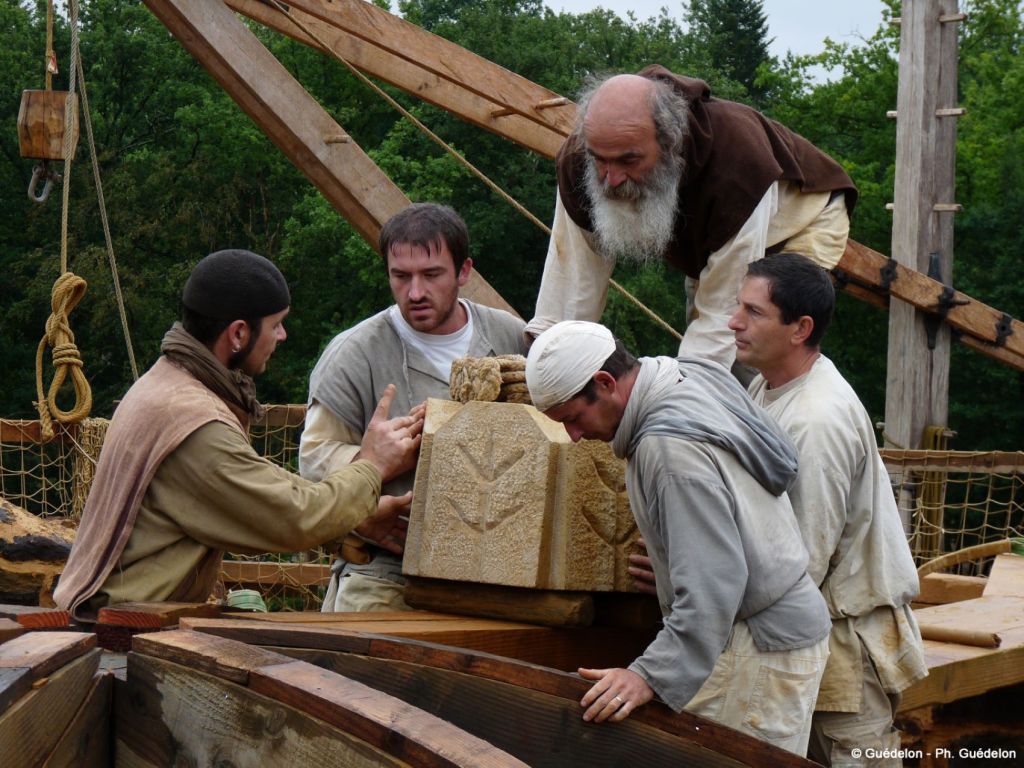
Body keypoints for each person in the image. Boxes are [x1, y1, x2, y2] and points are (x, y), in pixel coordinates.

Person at [54, 249, 423, 621]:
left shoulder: (168, 384)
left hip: (120, 617)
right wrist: (373, 465)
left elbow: (263, 493)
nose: (283, 335)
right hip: (120, 632)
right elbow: (294, 516)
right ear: (239, 333)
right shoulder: (193, 422)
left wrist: (353, 520)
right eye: (276, 324)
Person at [524, 320, 831, 756]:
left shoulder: (667, 447)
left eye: (573, 418)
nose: (573, 437)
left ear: (605, 382)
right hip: (778, 632)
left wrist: (650, 674)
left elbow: (714, 585)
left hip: (756, 648)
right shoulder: (687, 373)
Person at [728, 253, 927, 766]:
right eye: (738, 307)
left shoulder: (818, 419)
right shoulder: (767, 388)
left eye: (753, 312)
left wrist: (705, 583)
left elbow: (801, 560)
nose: (734, 321)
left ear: (801, 329)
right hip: (810, 628)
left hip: (843, 642)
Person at [525, 65, 857, 369]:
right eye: (601, 159)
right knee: (706, 334)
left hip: (801, 221)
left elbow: (720, 318)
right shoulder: (580, 161)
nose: (611, 178)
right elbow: (571, 284)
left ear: (671, 145)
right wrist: (548, 357)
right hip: (713, 236)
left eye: (628, 160)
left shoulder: (737, 167)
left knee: (754, 349)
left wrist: (674, 399)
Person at [301, 203, 528, 612]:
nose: (415, 292)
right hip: (386, 576)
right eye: (400, 276)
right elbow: (314, 459)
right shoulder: (354, 352)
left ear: (464, 271)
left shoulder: (511, 335)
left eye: (432, 274)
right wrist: (377, 463)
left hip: (499, 576)